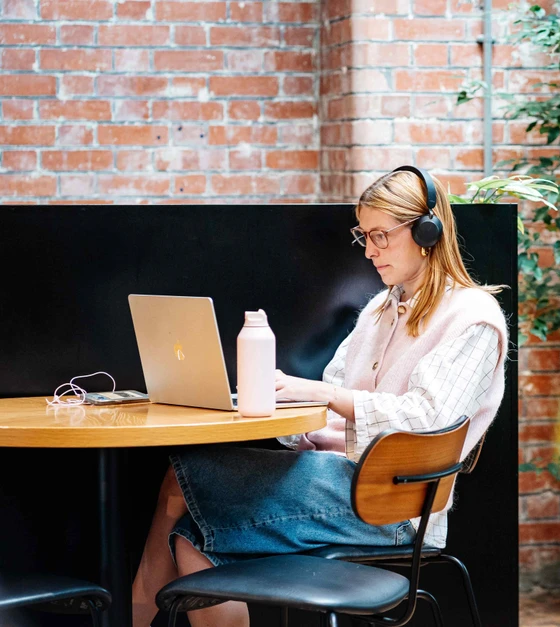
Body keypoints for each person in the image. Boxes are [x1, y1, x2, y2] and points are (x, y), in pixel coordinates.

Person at [131, 167, 509, 627]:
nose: (369, 251)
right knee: (192, 535)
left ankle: (139, 602)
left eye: (380, 236)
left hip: (395, 504)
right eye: (364, 236)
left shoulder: (473, 317)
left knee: (182, 480)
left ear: (426, 231)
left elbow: (427, 419)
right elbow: (326, 406)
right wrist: (276, 402)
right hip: (344, 479)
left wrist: (325, 395)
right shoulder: (379, 310)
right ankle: (142, 600)